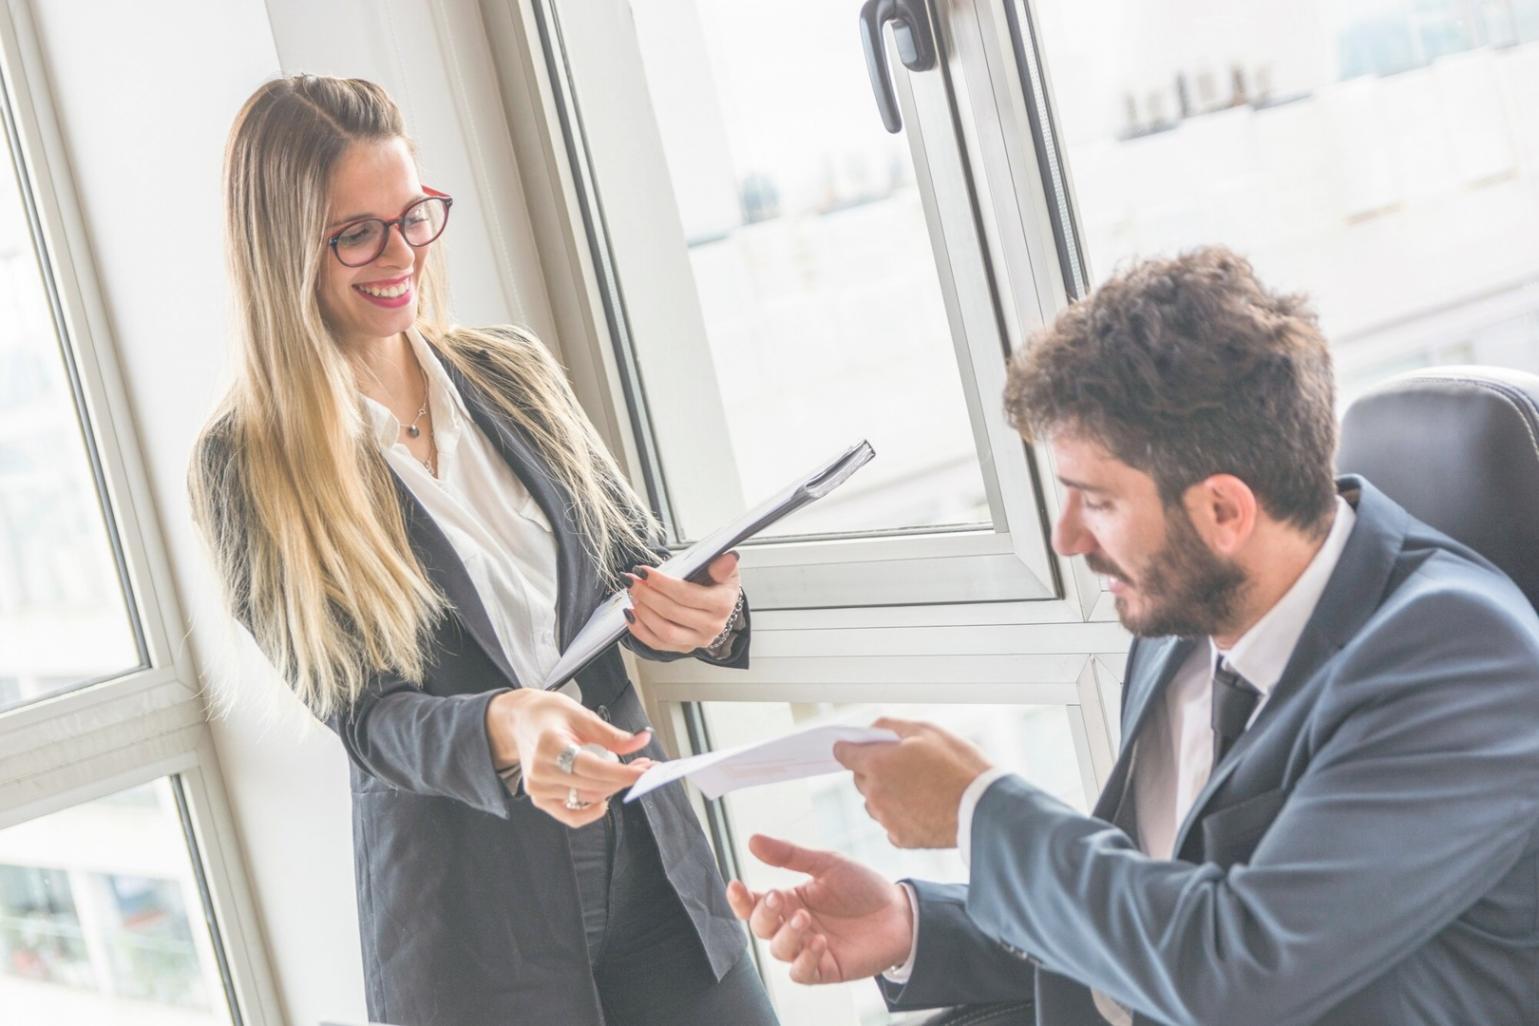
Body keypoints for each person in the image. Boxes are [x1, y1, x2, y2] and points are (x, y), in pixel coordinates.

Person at [726, 247, 1539, 1026]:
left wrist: (979, 812)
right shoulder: (1179, 621)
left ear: (1223, 510)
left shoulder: (1462, 664)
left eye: (1098, 502)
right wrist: (914, 924)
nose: (1066, 538)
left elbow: (1239, 970)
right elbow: (1145, 918)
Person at [189, 75, 777, 1026]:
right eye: (357, 233)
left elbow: (631, 566)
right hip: (470, 927)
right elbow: (370, 719)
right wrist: (511, 723)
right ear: (279, 250)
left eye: (414, 214)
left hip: (650, 861)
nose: (401, 254)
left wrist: (703, 611)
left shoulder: (508, 371)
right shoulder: (248, 465)